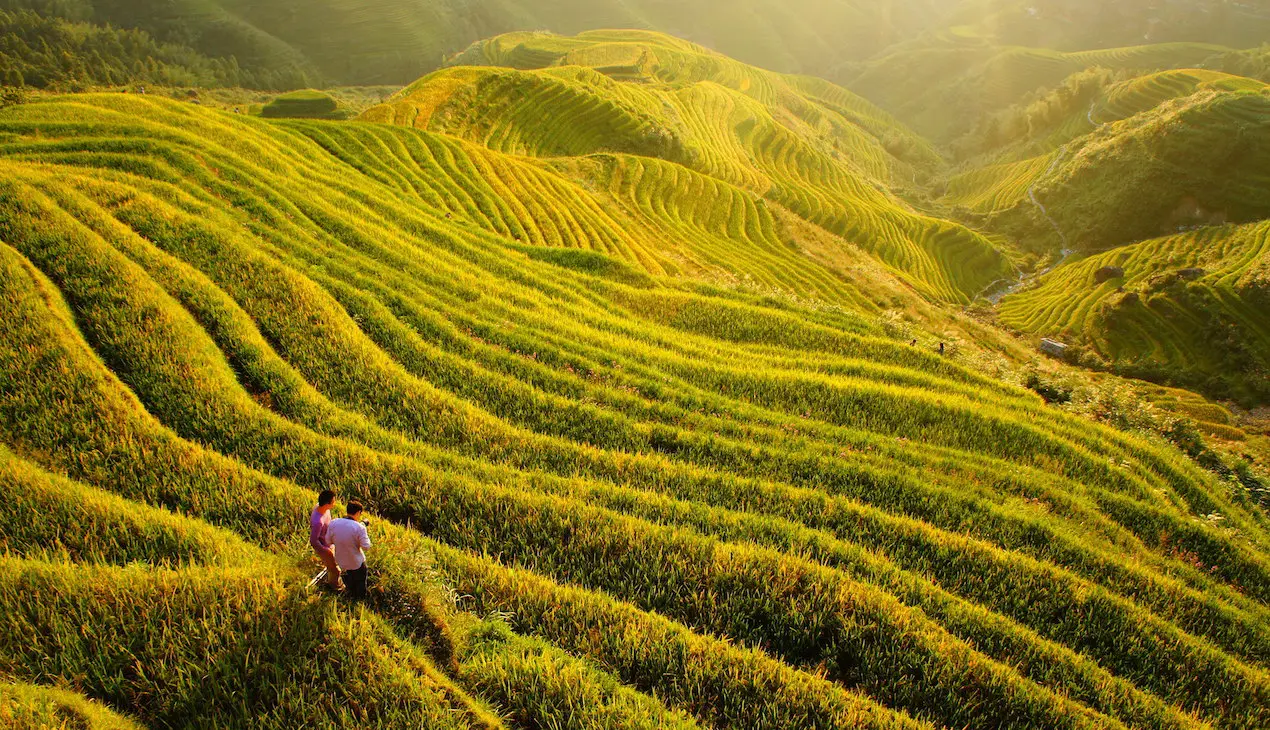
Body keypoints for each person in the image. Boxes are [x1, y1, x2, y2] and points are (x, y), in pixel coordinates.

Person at [326, 501, 372, 599]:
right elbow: (366, 546)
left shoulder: (334, 523)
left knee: (349, 586)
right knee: (360, 588)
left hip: (342, 562)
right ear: (358, 512)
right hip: (357, 563)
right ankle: (360, 604)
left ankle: (350, 601)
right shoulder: (360, 528)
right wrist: (363, 529)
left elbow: (328, 541)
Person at [310, 490, 341, 590]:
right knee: (336, 571)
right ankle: (335, 587)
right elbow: (313, 541)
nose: (334, 504)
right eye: (333, 502)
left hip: (329, 543)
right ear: (327, 504)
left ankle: (330, 577)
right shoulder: (318, 522)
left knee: (334, 565)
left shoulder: (322, 508)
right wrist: (326, 551)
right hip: (324, 547)